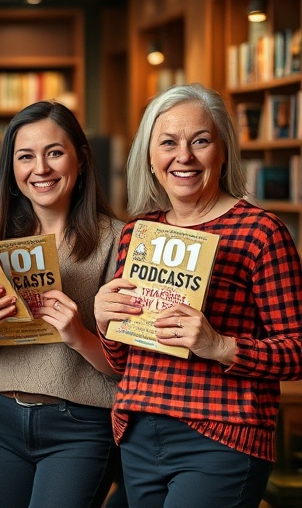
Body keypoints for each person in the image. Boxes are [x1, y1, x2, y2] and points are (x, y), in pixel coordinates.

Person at [93, 83, 302, 508]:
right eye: (168, 142)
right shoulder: (139, 232)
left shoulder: (261, 232)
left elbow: (298, 352)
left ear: (222, 151)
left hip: (222, 435)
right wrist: (106, 323)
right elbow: (122, 360)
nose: (183, 156)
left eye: (200, 141)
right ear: (150, 158)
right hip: (138, 432)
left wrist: (220, 346)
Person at [0, 101, 122, 508]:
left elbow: (125, 368)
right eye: (26, 156)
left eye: (54, 153)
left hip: (81, 424)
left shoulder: (119, 239)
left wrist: (79, 335)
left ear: (80, 159)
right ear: (11, 170)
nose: (41, 169)